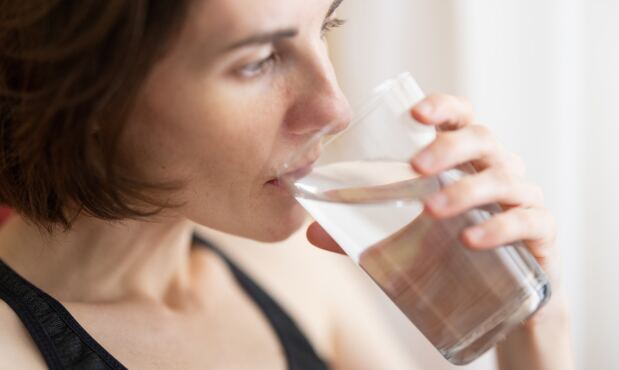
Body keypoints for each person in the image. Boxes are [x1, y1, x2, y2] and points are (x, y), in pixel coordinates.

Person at [0, 1, 574, 369]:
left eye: (325, 25)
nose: (336, 107)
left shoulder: (291, 271)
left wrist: (535, 325)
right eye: (257, 61)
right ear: (87, 91)